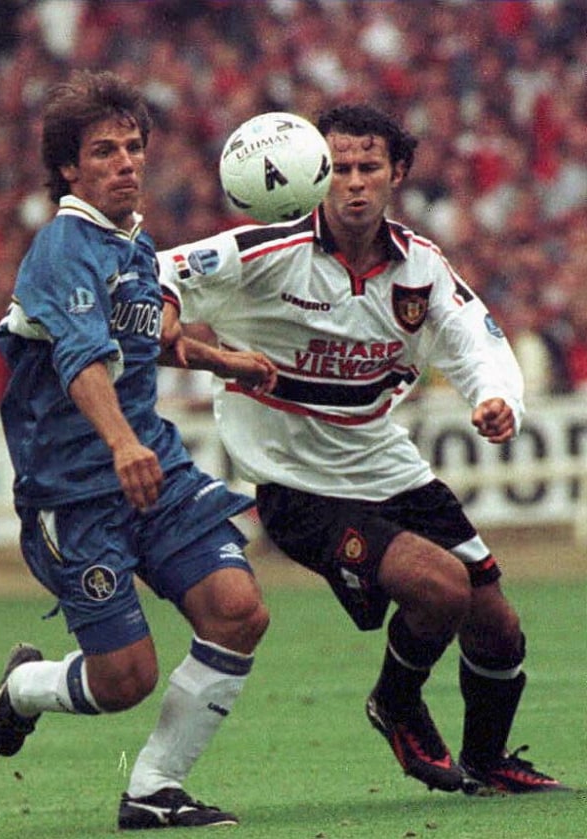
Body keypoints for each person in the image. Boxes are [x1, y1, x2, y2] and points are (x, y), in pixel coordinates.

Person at [157, 104, 571, 795]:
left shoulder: (421, 269)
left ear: (397, 172)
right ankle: (397, 702)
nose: (353, 182)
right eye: (340, 167)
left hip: (386, 466)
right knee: (440, 587)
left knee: (499, 626)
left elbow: (477, 341)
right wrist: (169, 312)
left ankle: (490, 761)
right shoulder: (264, 254)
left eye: (368, 167)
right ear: (316, 172)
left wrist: (498, 399)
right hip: (298, 487)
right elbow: (162, 273)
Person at [0, 69, 278, 831]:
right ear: (68, 170)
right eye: (104, 150)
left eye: (134, 146)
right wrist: (119, 443)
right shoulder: (62, 249)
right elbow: (81, 360)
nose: (125, 161)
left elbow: (147, 341)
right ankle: (23, 688)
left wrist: (224, 360)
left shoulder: (135, 244)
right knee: (125, 679)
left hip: (154, 470)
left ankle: (152, 790)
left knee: (238, 610)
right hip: (76, 494)